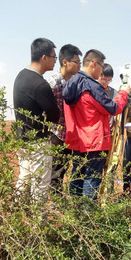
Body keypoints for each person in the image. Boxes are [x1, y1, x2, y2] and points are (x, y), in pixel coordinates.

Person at [62, 49, 130, 199]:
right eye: (101, 66)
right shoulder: (91, 86)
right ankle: (88, 216)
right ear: (94, 64)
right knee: (92, 179)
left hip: (78, 140)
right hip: (94, 141)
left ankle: (75, 211)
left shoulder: (71, 82)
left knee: (77, 175)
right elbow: (113, 108)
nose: (101, 72)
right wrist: (123, 93)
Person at [13, 37, 60, 201]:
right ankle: (37, 224)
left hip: (22, 139)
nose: (56, 61)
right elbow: (55, 115)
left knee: (24, 179)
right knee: (40, 184)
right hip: (38, 141)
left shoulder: (21, 76)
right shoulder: (40, 84)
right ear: (44, 58)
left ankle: (17, 215)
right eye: (54, 57)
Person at [47, 44, 82, 193]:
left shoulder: (75, 82)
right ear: (65, 62)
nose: (79, 65)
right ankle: (56, 204)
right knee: (55, 173)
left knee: (66, 170)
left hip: (70, 134)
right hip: (56, 134)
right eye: (77, 62)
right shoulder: (53, 83)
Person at [98, 63, 118, 131]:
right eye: (103, 79)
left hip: (110, 131)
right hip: (97, 130)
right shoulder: (93, 90)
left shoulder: (114, 93)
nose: (106, 82)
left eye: (109, 80)